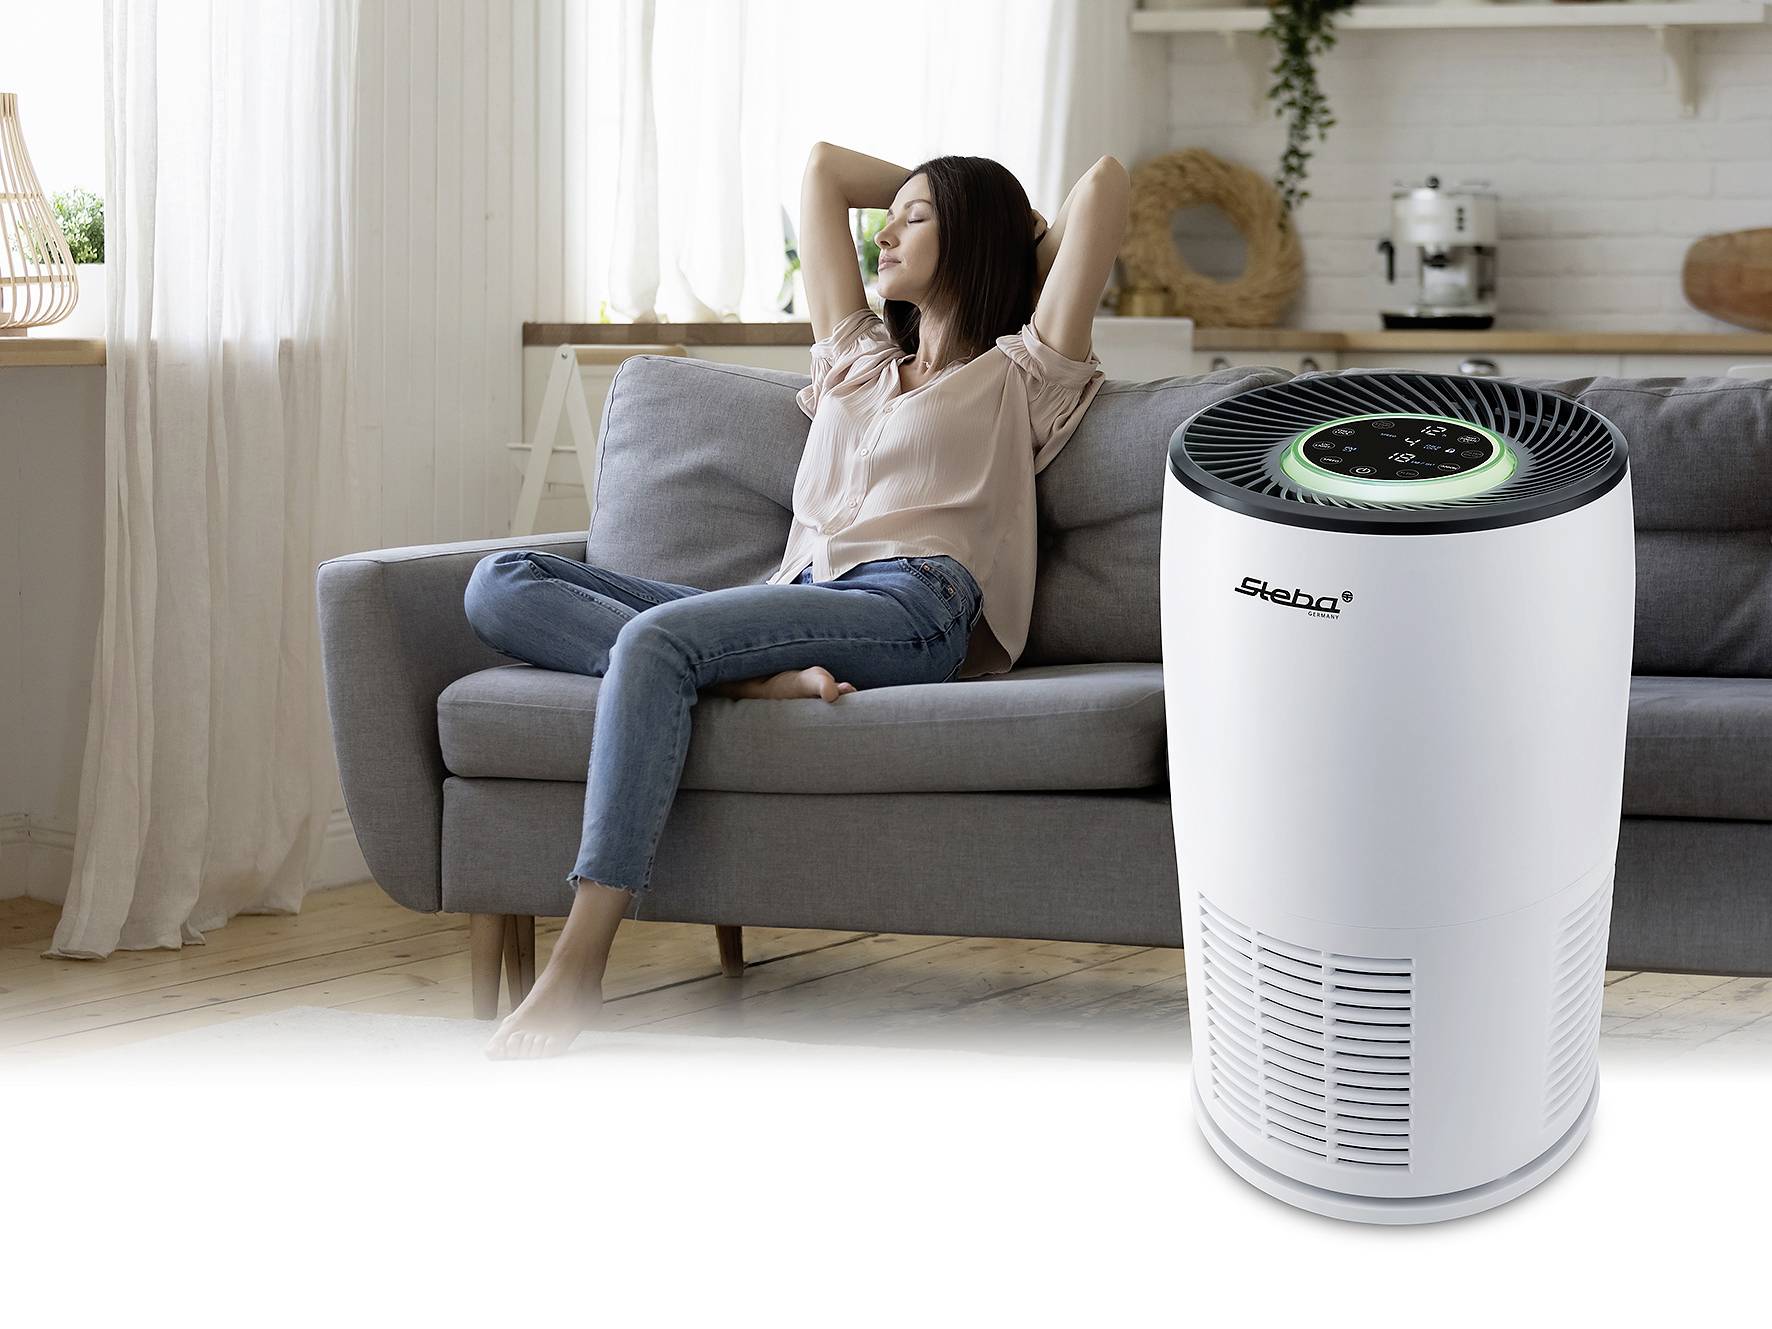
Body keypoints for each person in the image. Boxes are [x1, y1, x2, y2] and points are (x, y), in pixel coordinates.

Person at [463, 141, 1130, 1058]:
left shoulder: (1023, 372)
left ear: (975, 239)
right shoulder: (857, 360)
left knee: (656, 644)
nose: (884, 233)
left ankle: (578, 963)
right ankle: (745, 677)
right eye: (890, 216)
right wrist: (927, 200)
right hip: (799, 594)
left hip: (914, 603)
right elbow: (821, 170)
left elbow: (1105, 184)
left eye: (915, 218)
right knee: (500, 580)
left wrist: (1013, 235)